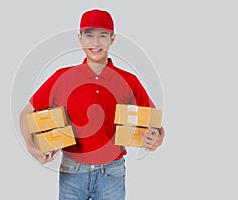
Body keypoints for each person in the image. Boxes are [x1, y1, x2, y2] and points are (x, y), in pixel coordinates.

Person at [19, 9, 165, 200]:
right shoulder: (62, 77)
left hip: (112, 173)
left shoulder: (129, 80)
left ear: (112, 39)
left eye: (102, 35)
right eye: (89, 35)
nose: (95, 43)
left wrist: (158, 138)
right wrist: (31, 146)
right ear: (80, 38)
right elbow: (26, 113)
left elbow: (154, 123)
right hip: (72, 172)